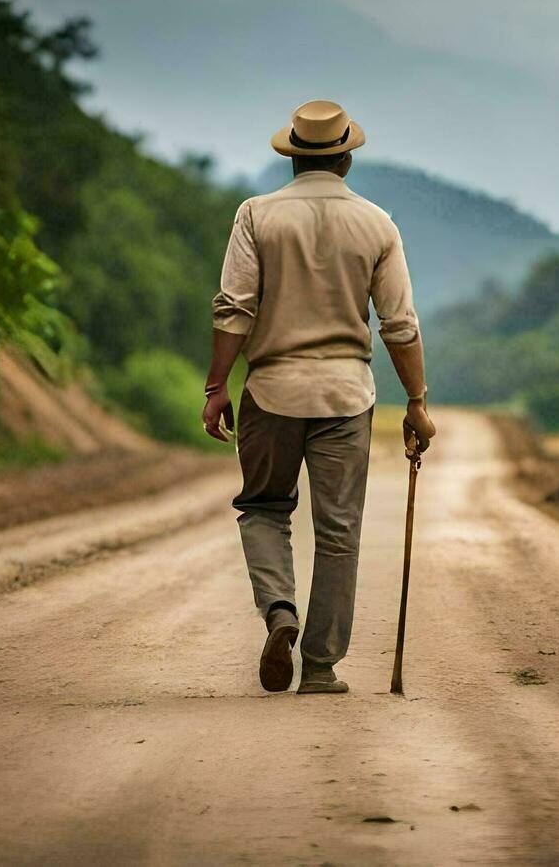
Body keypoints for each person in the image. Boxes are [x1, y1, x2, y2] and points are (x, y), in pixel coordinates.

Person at [202, 99, 437, 695]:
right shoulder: (378, 223)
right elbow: (399, 324)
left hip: (271, 390)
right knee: (338, 532)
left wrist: (215, 387)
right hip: (346, 396)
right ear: (347, 159)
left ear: (292, 157)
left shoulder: (256, 215)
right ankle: (321, 667)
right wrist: (417, 400)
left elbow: (234, 309)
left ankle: (280, 611)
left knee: (262, 507)